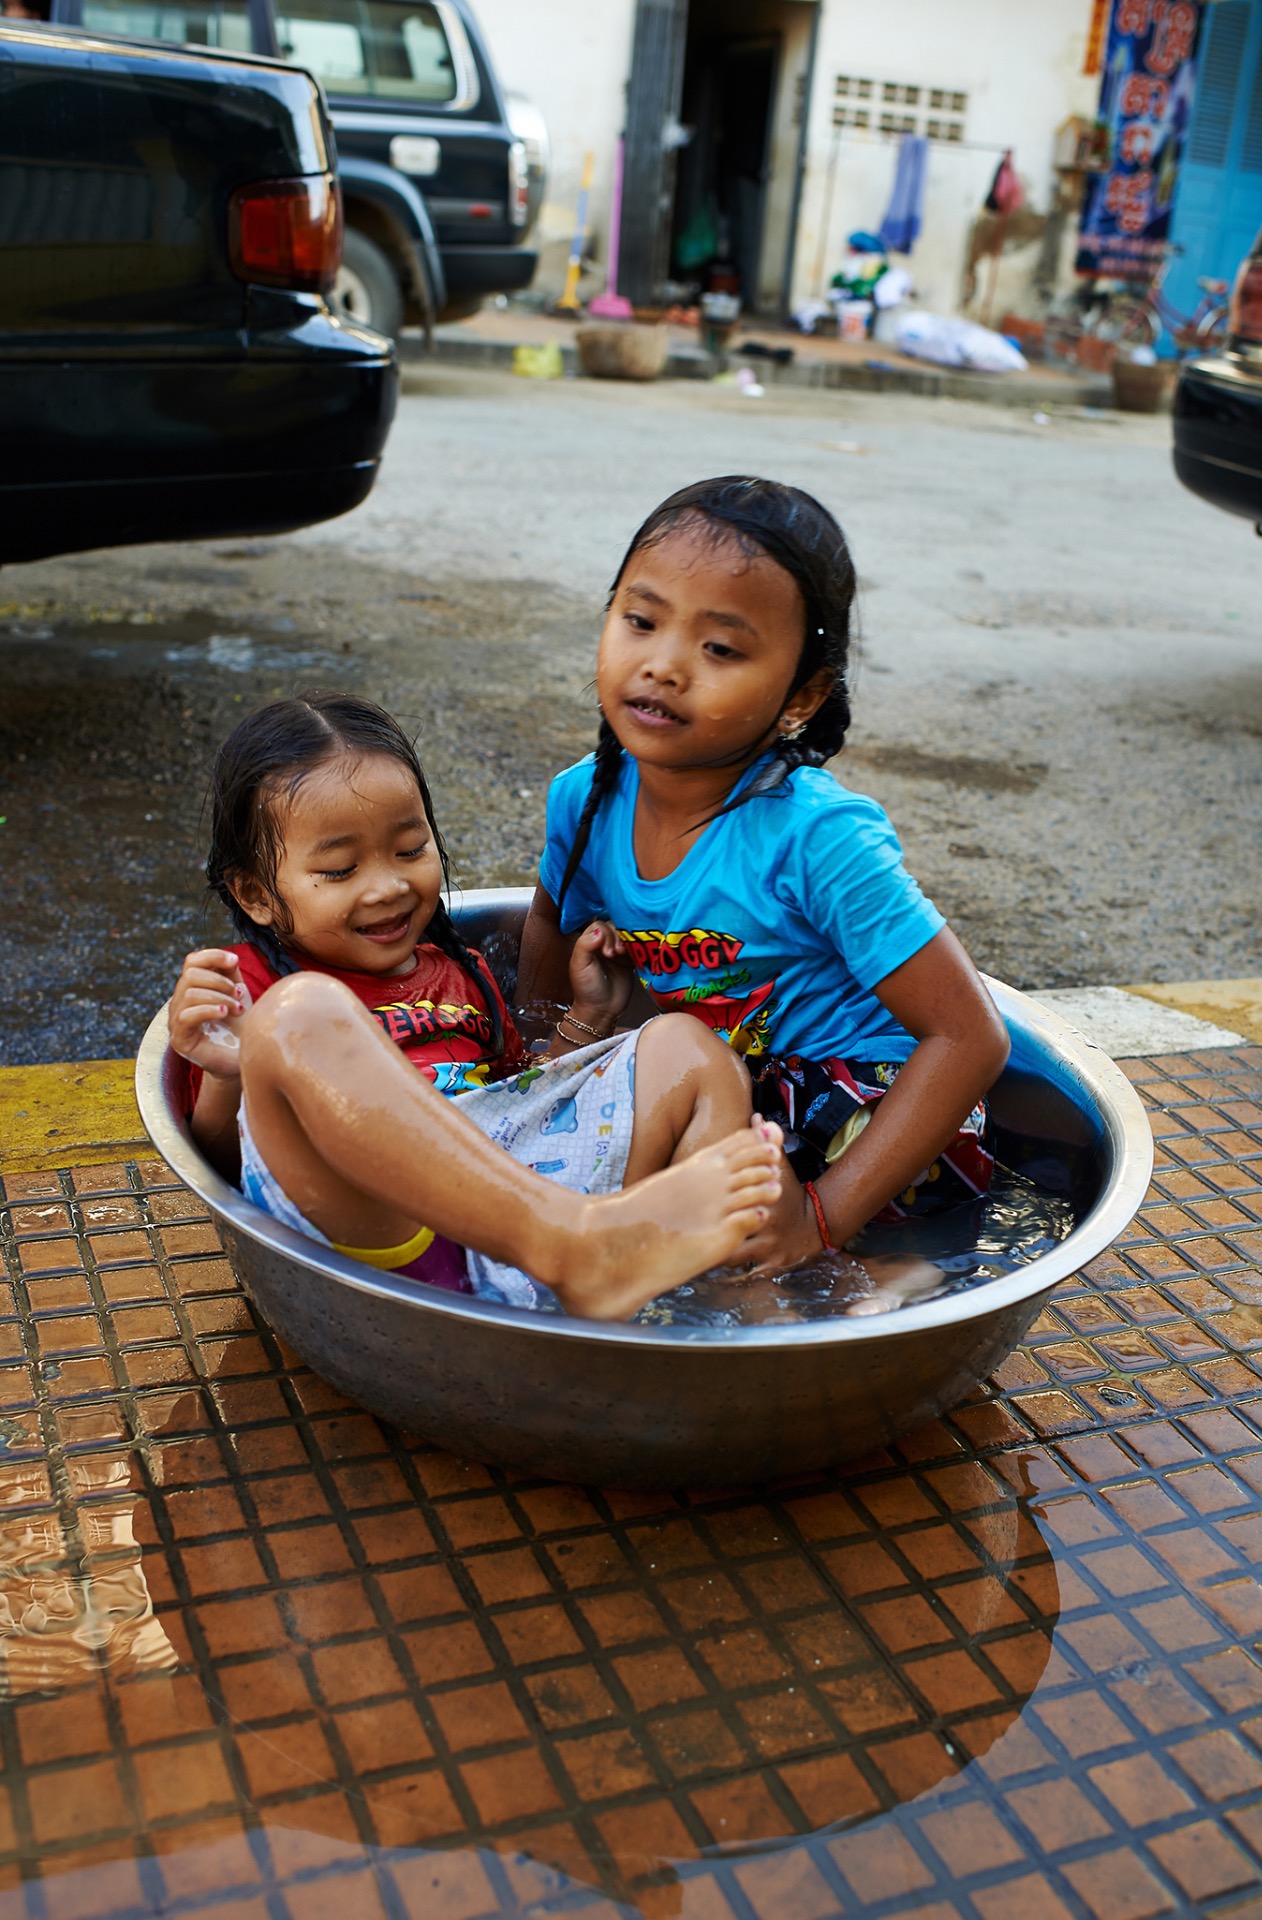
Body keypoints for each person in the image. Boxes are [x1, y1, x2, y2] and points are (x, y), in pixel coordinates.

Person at [518, 476, 1011, 1277]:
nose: (665, 665)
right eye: (640, 621)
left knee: (720, 1221)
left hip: (864, 1108)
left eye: (720, 649)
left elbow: (968, 1037)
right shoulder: (587, 798)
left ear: (801, 697)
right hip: (731, 1087)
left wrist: (819, 1218)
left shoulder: (815, 836)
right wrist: (534, 1063)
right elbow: (549, 925)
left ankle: (895, 1272)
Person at [169, 694, 783, 1321]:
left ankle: (724, 1298)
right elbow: (223, 1165)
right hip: (385, 1235)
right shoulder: (252, 992)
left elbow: (522, 1100)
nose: (388, 886)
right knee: (302, 1014)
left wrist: (588, 1017)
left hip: (515, 1217)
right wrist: (228, 1073)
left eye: (410, 850)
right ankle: (574, 1245)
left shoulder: (462, 971)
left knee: (687, 1046)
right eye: (340, 868)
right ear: (256, 894)